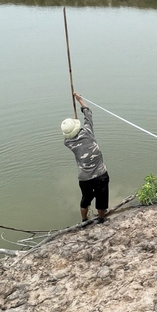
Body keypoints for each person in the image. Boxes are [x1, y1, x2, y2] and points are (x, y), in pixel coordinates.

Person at [61, 93, 110, 222]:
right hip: (100, 174)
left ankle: (84, 221)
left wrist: (74, 128)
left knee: (85, 199)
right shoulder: (88, 131)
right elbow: (88, 112)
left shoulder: (68, 143)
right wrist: (79, 99)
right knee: (102, 197)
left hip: (84, 177)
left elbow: (72, 135)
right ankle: (101, 219)